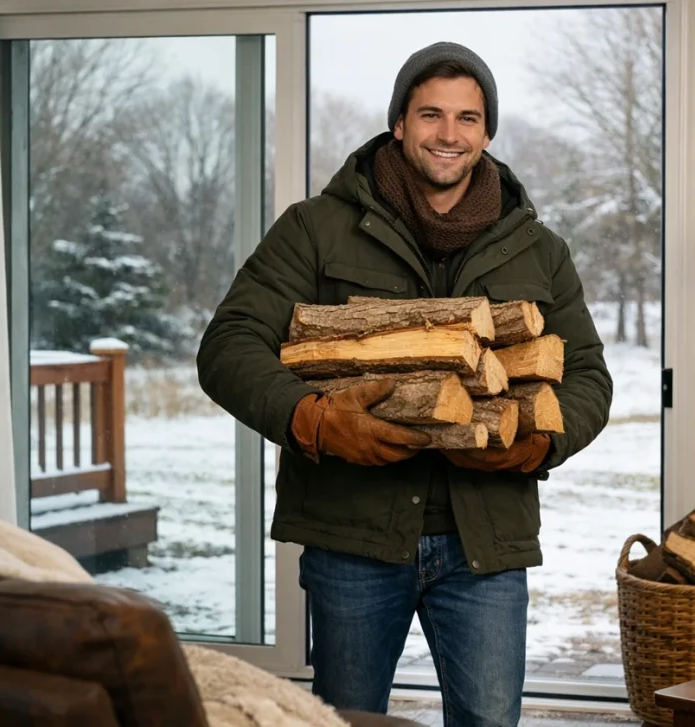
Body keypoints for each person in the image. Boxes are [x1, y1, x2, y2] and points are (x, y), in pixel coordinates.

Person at [197, 41, 612, 727]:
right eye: (431, 114)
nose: (449, 134)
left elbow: (590, 375)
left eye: (468, 118)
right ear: (398, 124)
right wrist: (316, 420)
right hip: (352, 537)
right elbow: (228, 344)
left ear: (487, 132)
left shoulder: (540, 249)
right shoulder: (316, 229)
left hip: (486, 543)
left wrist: (537, 443)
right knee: (345, 721)